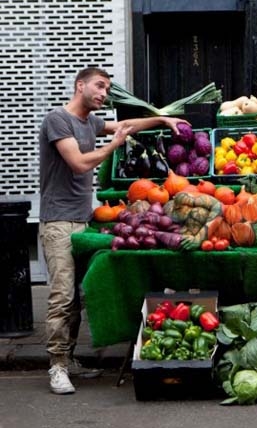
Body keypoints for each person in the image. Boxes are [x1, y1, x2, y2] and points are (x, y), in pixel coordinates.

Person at [39, 67, 189, 395]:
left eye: (107, 89)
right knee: (62, 295)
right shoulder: (58, 120)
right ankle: (57, 366)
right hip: (58, 222)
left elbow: (125, 125)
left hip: (84, 219)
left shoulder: (90, 122)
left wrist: (162, 121)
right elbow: (78, 163)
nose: (104, 94)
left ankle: (70, 358)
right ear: (80, 85)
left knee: (77, 295)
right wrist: (113, 146)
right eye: (99, 86)